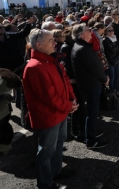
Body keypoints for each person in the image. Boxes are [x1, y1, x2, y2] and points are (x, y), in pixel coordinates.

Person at [22, 29, 78, 189]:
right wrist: (69, 105)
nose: (55, 43)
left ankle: (56, 170)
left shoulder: (49, 61)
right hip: (48, 117)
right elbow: (49, 98)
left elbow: (65, 80)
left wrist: (72, 99)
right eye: (51, 41)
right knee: (46, 152)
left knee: (58, 144)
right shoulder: (35, 67)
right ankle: (45, 183)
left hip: (60, 112)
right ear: (39, 45)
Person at [71, 23, 109, 149]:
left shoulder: (81, 46)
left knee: (92, 112)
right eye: (88, 30)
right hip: (91, 84)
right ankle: (91, 140)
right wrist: (104, 79)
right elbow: (95, 67)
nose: (90, 32)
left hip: (89, 83)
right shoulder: (82, 48)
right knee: (92, 112)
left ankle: (90, 134)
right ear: (82, 34)